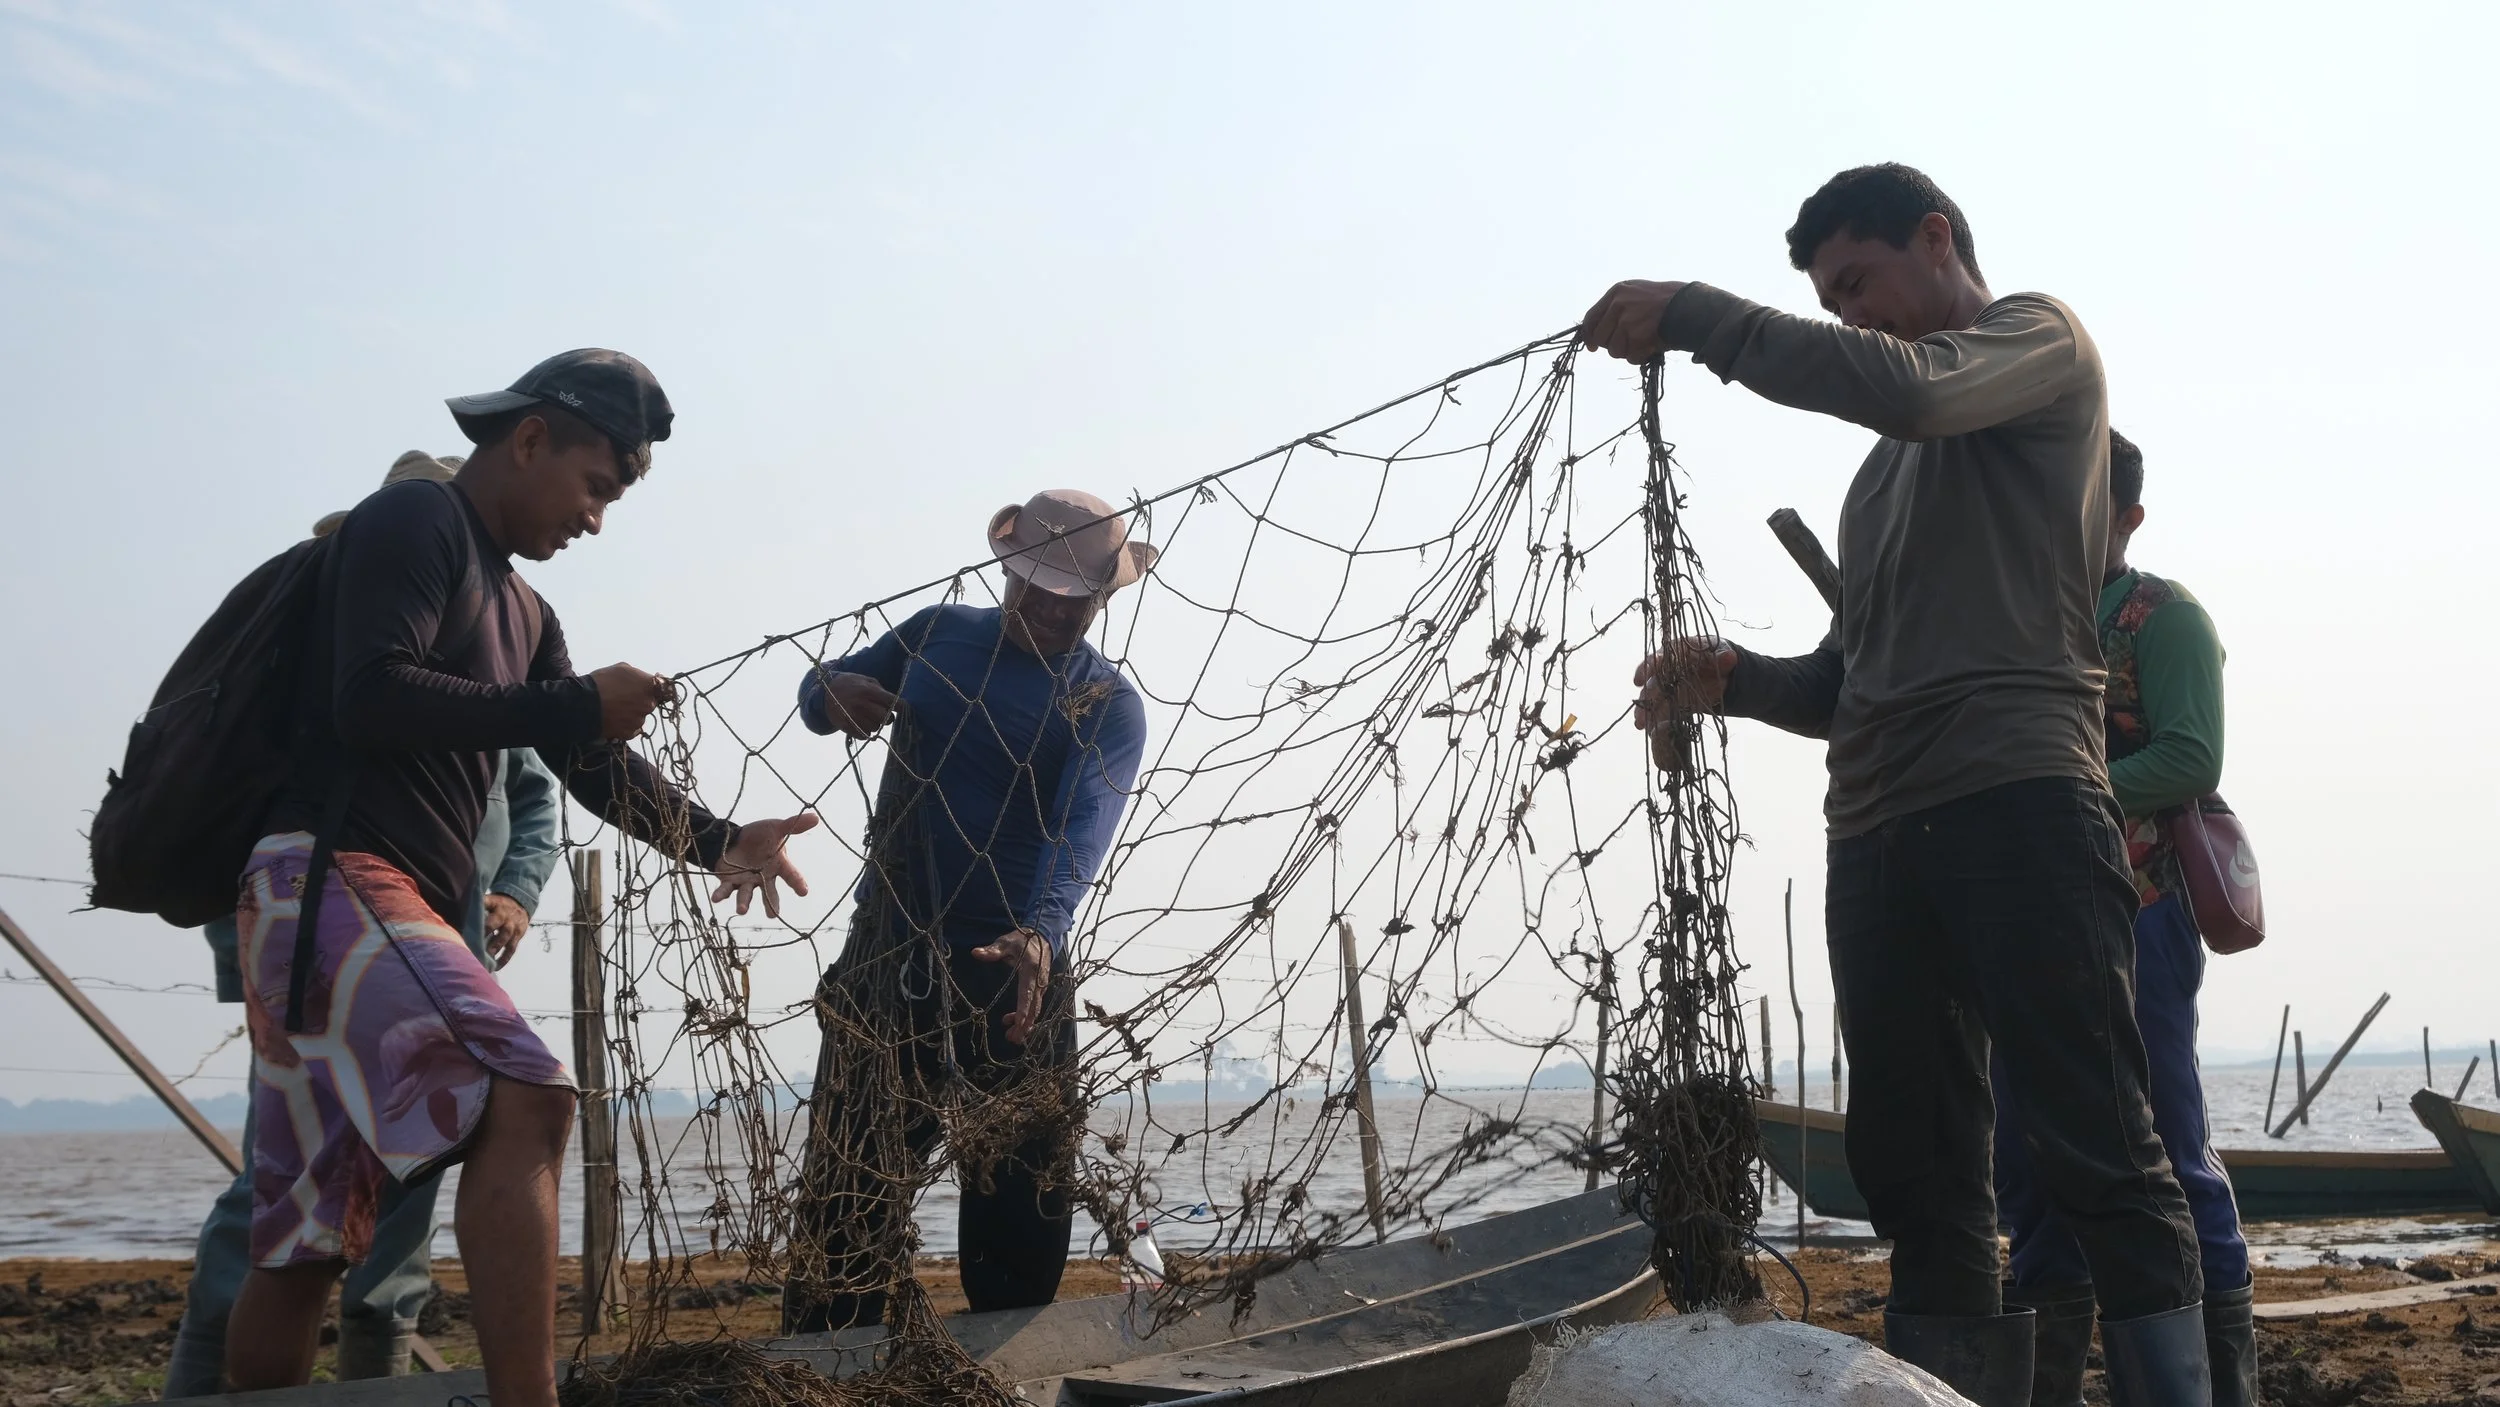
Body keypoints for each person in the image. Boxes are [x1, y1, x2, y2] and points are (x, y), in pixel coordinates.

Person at [1586, 163, 2207, 1407]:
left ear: (1935, 240)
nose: (1849, 313)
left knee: (2095, 1145)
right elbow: (1843, 682)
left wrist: (1699, 316)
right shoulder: (1876, 482)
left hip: (2023, 805)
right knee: (1915, 1171)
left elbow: (1907, 389)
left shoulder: (2036, 342)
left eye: (1856, 282)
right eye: (1830, 299)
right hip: (1874, 837)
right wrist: (1731, 680)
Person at [219, 349, 819, 1407]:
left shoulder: (527, 612)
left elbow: (587, 764)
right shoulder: (416, 521)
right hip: (329, 875)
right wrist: (577, 703)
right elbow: (371, 695)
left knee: (307, 1235)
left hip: (329, 905)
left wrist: (721, 840)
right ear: (531, 439)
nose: (596, 520)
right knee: (530, 1096)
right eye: (596, 487)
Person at [163, 452, 566, 1394]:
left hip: (415, 933)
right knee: (518, 1096)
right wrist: (255, 951)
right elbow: (254, 793)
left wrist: (517, 886)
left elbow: (543, 784)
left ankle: (365, 1380)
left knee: (329, 1218)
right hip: (334, 921)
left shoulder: (495, 639)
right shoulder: (338, 646)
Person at [780, 489, 1151, 1334]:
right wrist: (830, 695)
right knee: (849, 1195)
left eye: (1076, 596)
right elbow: (819, 689)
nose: (1054, 608)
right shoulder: (937, 633)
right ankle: (831, 1358)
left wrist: (1042, 928)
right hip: (889, 964)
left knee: (1023, 1202)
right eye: (1038, 586)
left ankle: (1004, 1364)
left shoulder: (1106, 701)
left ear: (1104, 597)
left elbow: (1084, 822)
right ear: (1007, 571)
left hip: (1016, 975)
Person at [1992, 430, 2253, 1407]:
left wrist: (2063, 782)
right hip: (2022, 920)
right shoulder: (2011, 616)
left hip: (2140, 907)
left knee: (2167, 1146)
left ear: (2128, 517)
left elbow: (2190, 758)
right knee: (2022, 1155)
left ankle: (2220, 1381)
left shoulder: (2164, 618)